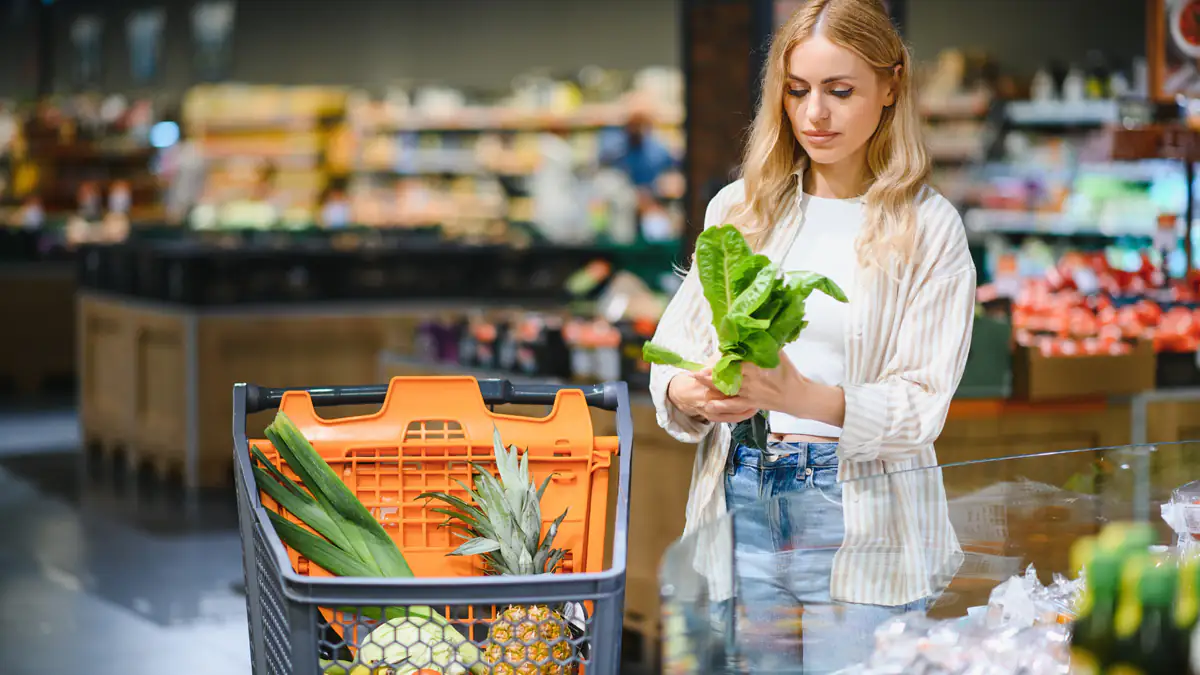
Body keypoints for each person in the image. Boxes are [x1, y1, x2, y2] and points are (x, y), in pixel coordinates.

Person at [648, 0, 972, 671]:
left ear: (891, 86)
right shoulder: (741, 209)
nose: (815, 114)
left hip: (862, 512)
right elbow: (675, 352)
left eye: (839, 91)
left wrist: (802, 394)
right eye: (797, 92)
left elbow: (921, 406)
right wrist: (691, 391)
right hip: (741, 486)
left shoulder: (928, 228)